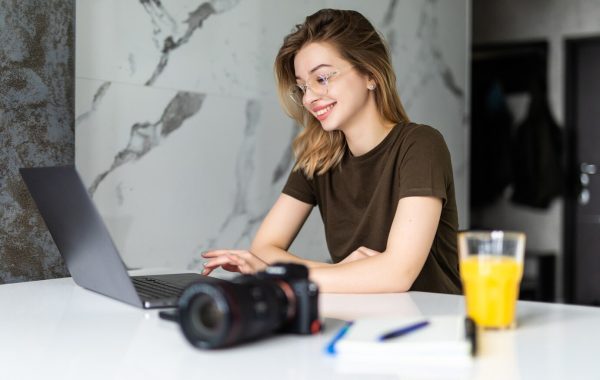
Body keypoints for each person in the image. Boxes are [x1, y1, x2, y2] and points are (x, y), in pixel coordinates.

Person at [202, 8, 461, 294]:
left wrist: (285, 275)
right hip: (360, 318)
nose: (310, 97)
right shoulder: (318, 157)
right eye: (302, 87)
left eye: (322, 78)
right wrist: (339, 273)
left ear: (370, 75)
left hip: (432, 325)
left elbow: (397, 275)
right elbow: (263, 248)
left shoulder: (421, 145)